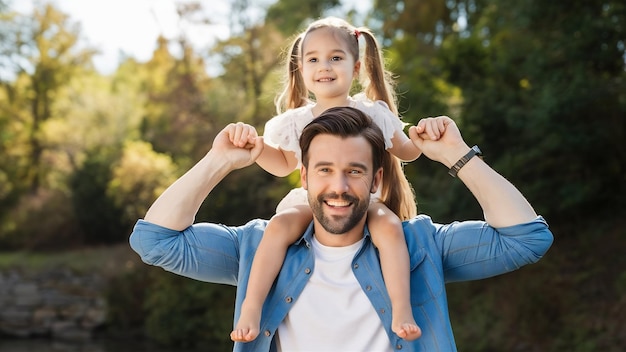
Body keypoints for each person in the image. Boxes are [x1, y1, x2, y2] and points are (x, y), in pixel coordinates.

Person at [129, 106, 554, 352]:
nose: (338, 187)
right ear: (305, 179)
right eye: (325, 170)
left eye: (355, 171)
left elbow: (526, 240)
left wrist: (458, 157)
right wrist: (218, 161)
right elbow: (154, 240)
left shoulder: (417, 247)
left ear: (375, 181)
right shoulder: (258, 248)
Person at [231, 16, 435, 343]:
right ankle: (252, 306)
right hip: (311, 199)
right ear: (302, 69)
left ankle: (401, 308)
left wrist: (425, 137)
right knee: (280, 225)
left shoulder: (374, 113)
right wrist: (255, 149)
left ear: (356, 68)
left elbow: (404, 151)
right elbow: (283, 164)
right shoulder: (295, 121)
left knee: (390, 227)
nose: (324, 66)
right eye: (313, 59)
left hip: (362, 198)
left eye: (335, 58)